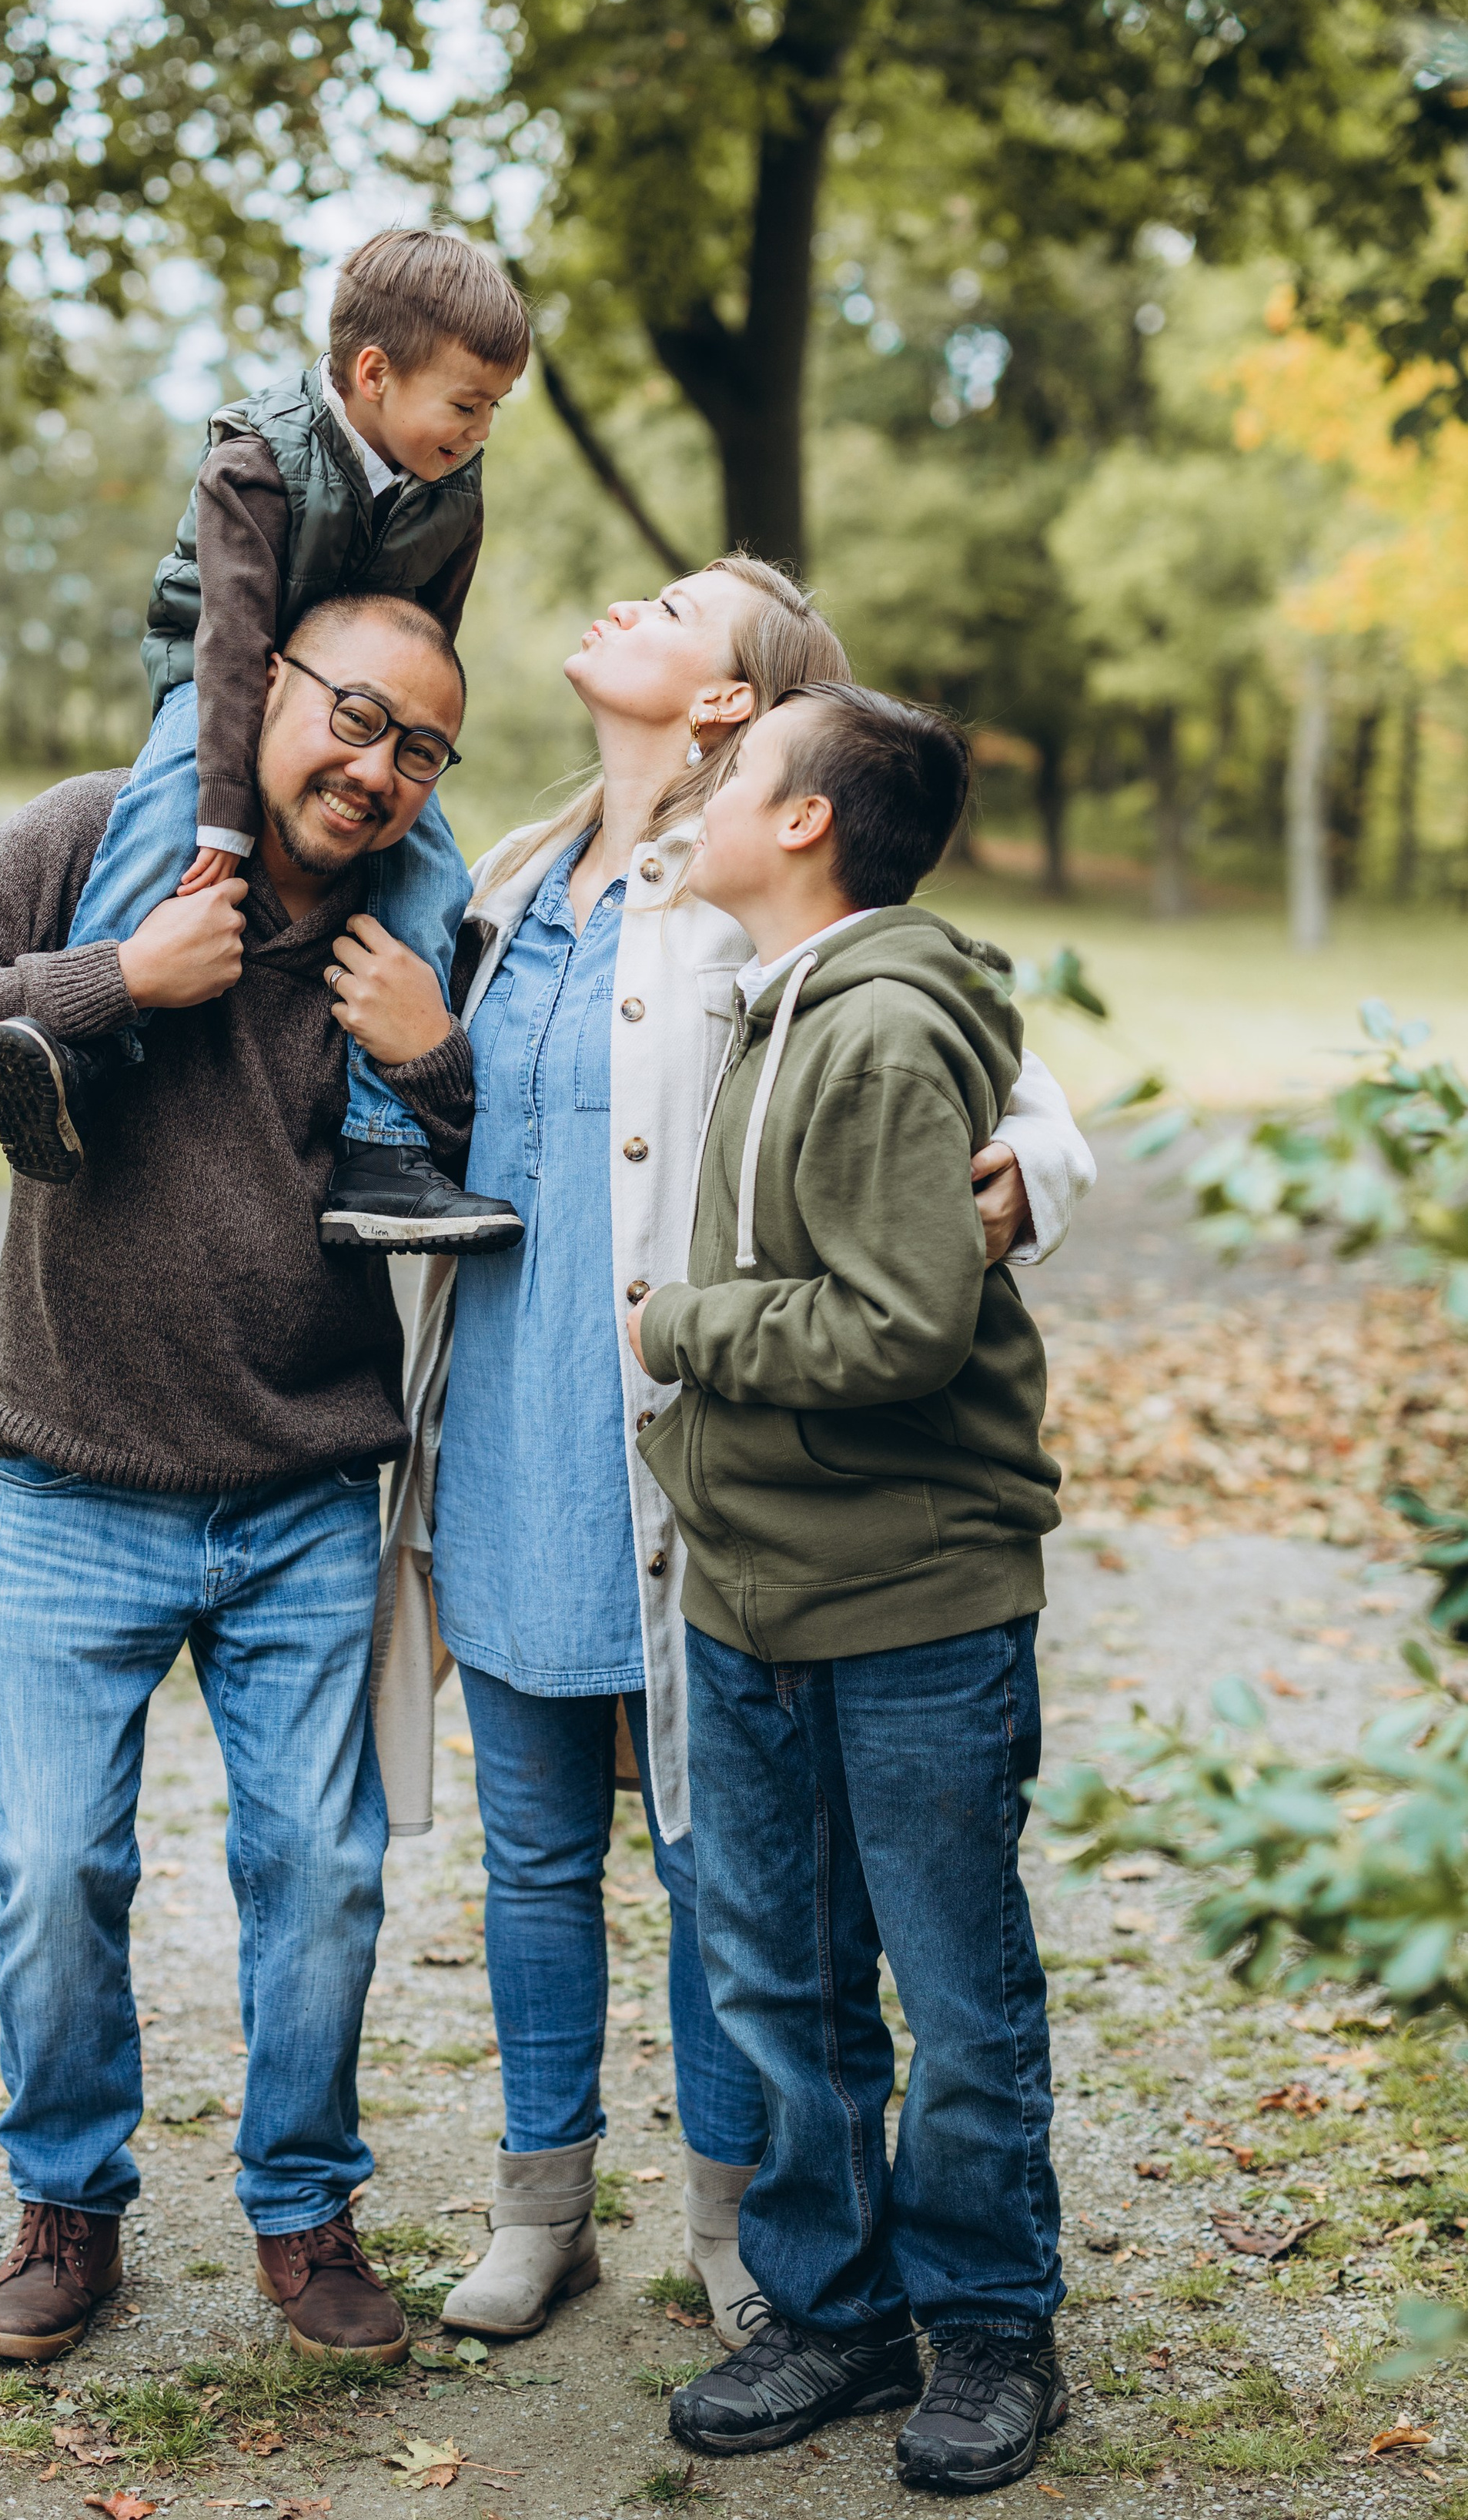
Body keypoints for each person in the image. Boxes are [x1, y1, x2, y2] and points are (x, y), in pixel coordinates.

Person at [369, 564, 1092, 2353]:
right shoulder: (515, 878)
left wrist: (1017, 1194)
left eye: (677, 603)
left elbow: (998, 1076)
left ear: (729, 708)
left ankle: (738, 2212)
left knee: (720, 1864)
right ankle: (541, 2205)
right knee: (534, 1853)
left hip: (689, 1436)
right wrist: (435, 1050)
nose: (624, 599)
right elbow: (498, 1127)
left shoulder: (755, 895)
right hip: (514, 1411)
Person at [0, 594, 481, 2370]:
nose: (378, 769)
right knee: (50, 1867)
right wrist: (117, 976)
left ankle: (304, 2207)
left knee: (322, 1873)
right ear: (264, 686)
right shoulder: (83, 840)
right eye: (355, 716)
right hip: (71, 1480)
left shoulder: (413, 925)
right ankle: (66, 2208)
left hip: (301, 1492)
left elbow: (531, 1146)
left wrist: (428, 1053)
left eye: (420, 748)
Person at [632, 682, 1068, 2495]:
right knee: (784, 1979)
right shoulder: (770, 1005)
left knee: (954, 1993)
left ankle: (985, 2326)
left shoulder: (877, 1029)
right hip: (751, 1590)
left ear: (804, 821)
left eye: (736, 772)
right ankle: (827, 2306)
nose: (708, 788)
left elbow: (898, 1325)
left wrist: (681, 1326)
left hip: (908, 1600)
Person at [0, 226, 529, 1258]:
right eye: (467, 403)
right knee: (166, 812)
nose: (481, 428)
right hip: (218, 672)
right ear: (374, 373)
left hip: (353, 707)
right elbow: (232, 649)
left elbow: (427, 640)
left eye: (495, 407)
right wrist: (224, 831)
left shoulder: (454, 485)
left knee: (433, 867)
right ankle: (76, 1048)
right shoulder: (257, 459)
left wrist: (407, 754)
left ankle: (380, 1146)